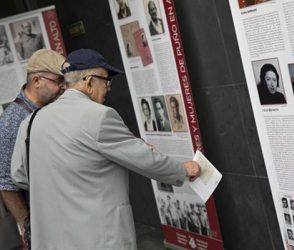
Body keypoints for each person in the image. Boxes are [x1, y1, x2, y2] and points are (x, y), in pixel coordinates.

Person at [11, 49, 201, 250]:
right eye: (106, 81)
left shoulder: (31, 122)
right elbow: (145, 159)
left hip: (50, 241)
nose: (108, 88)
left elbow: (19, 176)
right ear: (89, 81)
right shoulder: (99, 116)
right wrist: (183, 169)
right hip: (97, 238)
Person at [0, 49, 65, 248]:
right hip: (43, 226)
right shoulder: (12, 121)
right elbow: (5, 182)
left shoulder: (48, 109)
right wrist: (29, 228)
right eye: (57, 81)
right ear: (37, 80)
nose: (63, 86)